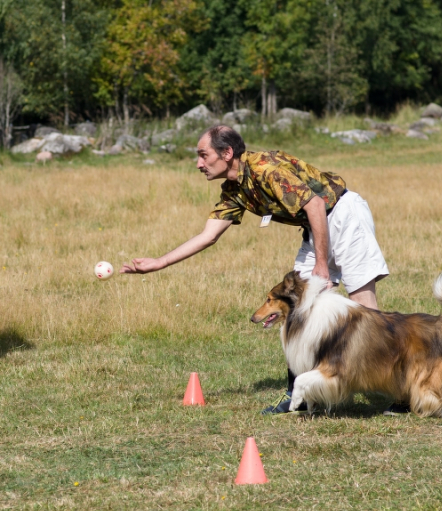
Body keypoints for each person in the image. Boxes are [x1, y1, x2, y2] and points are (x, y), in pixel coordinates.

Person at [121, 125, 389, 414]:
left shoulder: (265, 170)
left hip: (341, 213)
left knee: (363, 305)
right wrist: (159, 262)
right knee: (298, 305)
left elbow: (315, 204)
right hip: (316, 225)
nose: (198, 164)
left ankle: (397, 389)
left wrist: (322, 266)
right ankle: (298, 396)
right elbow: (208, 235)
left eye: (203, 155)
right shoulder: (234, 188)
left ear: (226, 153)